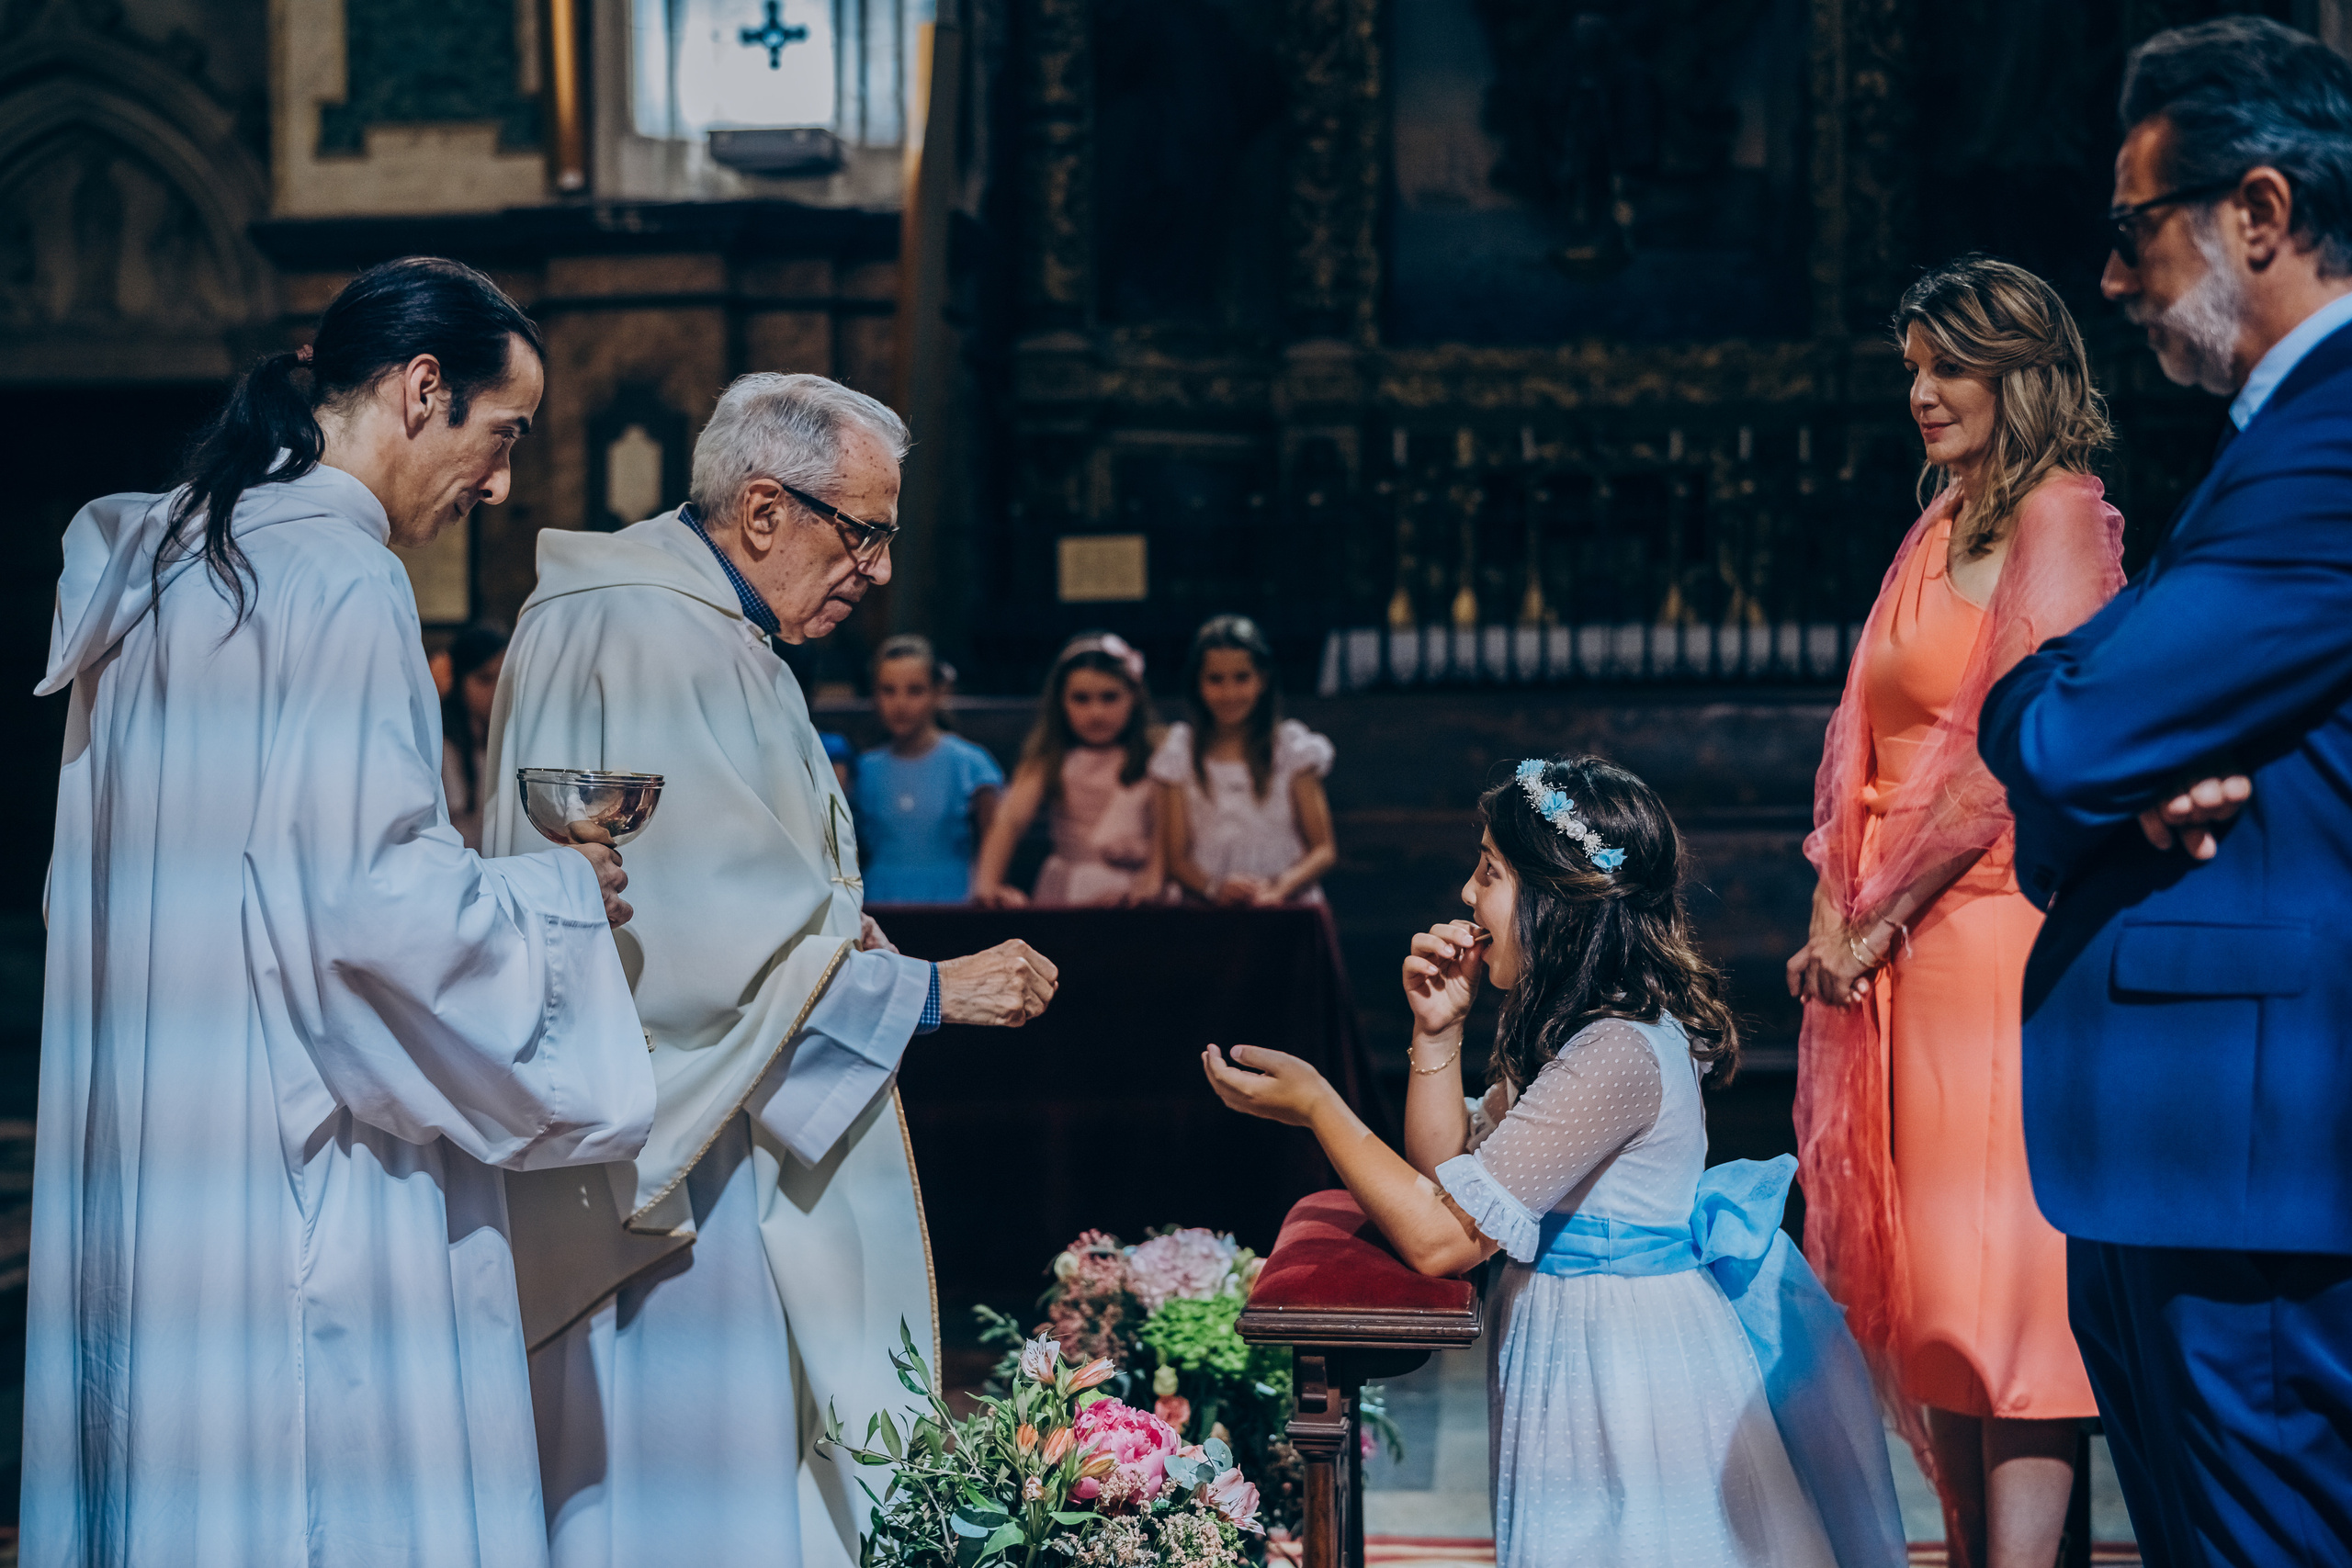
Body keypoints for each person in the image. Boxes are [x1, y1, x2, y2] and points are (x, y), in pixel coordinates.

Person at [23, 257, 651, 1568]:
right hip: (309, 1140)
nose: (502, 485)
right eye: (504, 435)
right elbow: (373, 909)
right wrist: (556, 902)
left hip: (163, 1130)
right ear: (424, 390)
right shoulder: (347, 581)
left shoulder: (166, 560)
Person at [484, 372, 1059, 1568]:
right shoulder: (648, 631)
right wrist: (930, 991)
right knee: (689, 1477)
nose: (881, 571)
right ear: (762, 511)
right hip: (665, 1170)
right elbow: (688, 936)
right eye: (866, 534)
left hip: (708, 1145)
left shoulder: (709, 628)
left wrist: (870, 954)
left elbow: (783, 889)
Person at [1979, 18, 2352, 1562]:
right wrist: (2091, 758)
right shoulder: (2272, 442)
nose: (2115, 280)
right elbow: (2056, 723)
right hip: (2207, 1146)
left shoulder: (2332, 442)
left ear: (2257, 213)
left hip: (2253, 1153)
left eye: (2135, 229)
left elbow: (2063, 732)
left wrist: (2082, 751)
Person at [1203, 756, 1905, 1568]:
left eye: (1490, 872)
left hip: (1626, 1362)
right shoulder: (1576, 1030)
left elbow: (1441, 1239)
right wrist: (1438, 1033)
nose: (1468, 893)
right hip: (1569, 1329)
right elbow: (1448, 1178)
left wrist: (1321, 1105)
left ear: (1557, 897)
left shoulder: (1617, 1051)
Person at [1782, 257, 2125, 1568]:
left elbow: (2004, 760)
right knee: (1931, 1294)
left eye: (1946, 367)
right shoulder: (1940, 522)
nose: (1920, 393)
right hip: (1899, 956)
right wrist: (1836, 899)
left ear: (2018, 369)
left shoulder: (2059, 514)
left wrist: (1871, 915)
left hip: (1989, 941)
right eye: (1912, 370)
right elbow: (1860, 743)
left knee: (2008, 1298)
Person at [1152, 615, 1338, 906]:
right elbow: (1176, 857)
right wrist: (1213, 888)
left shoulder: (1291, 749)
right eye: (1215, 679)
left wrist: (1280, 888)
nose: (1229, 693)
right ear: (1197, 683)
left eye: (1242, 678)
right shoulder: (1180, 754)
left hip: (1287, 906)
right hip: (1208, 909)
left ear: (1262, 680)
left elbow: (1323, 848)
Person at [971, 631, 1163, 907]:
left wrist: (1149, 880)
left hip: (1137, 894)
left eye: (1109, 697)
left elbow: (1166, 833)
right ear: (1060, 702)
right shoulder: (1051, 757)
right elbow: (1009, 821)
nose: (1096, 712)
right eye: (1081, 699)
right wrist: (988, 886)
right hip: (1069, 889)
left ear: (1134, 697)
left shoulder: (1156, 757)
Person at [853, 632, 1005, 903]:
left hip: (954, 898)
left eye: (915, 691)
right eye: (888, 690)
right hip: (881, 899)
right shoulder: (864, 768)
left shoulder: (970, 763)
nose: (900, 704)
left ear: (938, 692)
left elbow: (997, 839)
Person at [441, 618, 510, 849]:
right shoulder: (441, 744)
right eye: (485, 679)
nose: (497, 691)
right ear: (459, 680)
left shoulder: (511, 736)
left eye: (504, 680)